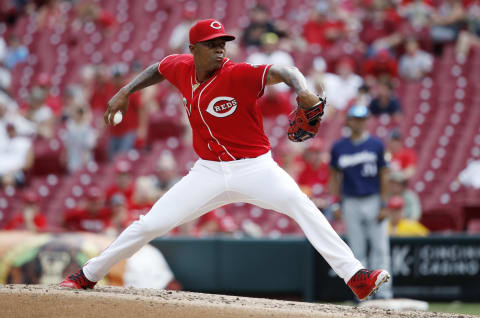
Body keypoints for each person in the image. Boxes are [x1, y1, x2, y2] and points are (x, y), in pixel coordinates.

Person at [60, 19, 390, 301]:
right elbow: (157, 68)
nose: (220, 48)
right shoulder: (181, 67)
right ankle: (86, 276)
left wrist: (302, 90)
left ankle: (355, 276)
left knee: (302, 206)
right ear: (194, 49)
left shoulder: (239, 74)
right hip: (207, 172)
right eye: (212, 43)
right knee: (150, 224)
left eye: (223, 43)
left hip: (255, 167)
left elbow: (284, 70)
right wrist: (124, 92)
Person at [329, 105, 393, 299]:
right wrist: (335, 203)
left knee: (380, 248)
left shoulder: (376, 145)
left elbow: (384, 175)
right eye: (355, 118)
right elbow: (334, 177)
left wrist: (384, 204)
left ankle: (383, 295)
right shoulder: (339, 147)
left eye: (362, 118)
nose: (359, 122)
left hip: (373, 199)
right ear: (348, 121)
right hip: (350, 201)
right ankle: (363, 294)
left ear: (367, 121)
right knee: (357, 251)